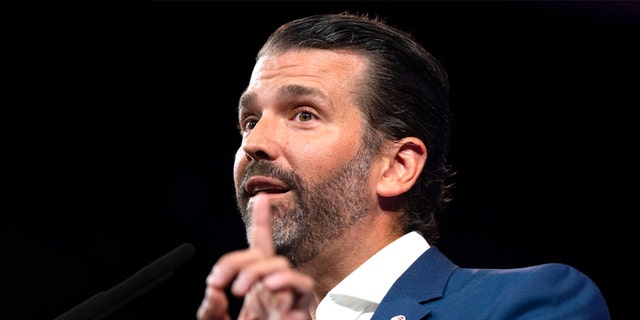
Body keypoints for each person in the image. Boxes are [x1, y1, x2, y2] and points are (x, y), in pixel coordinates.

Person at [196, 12, 611, 320]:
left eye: (304, 114)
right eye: (249, 121)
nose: (254, 143)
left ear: (396, 166)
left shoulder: (526, 302)